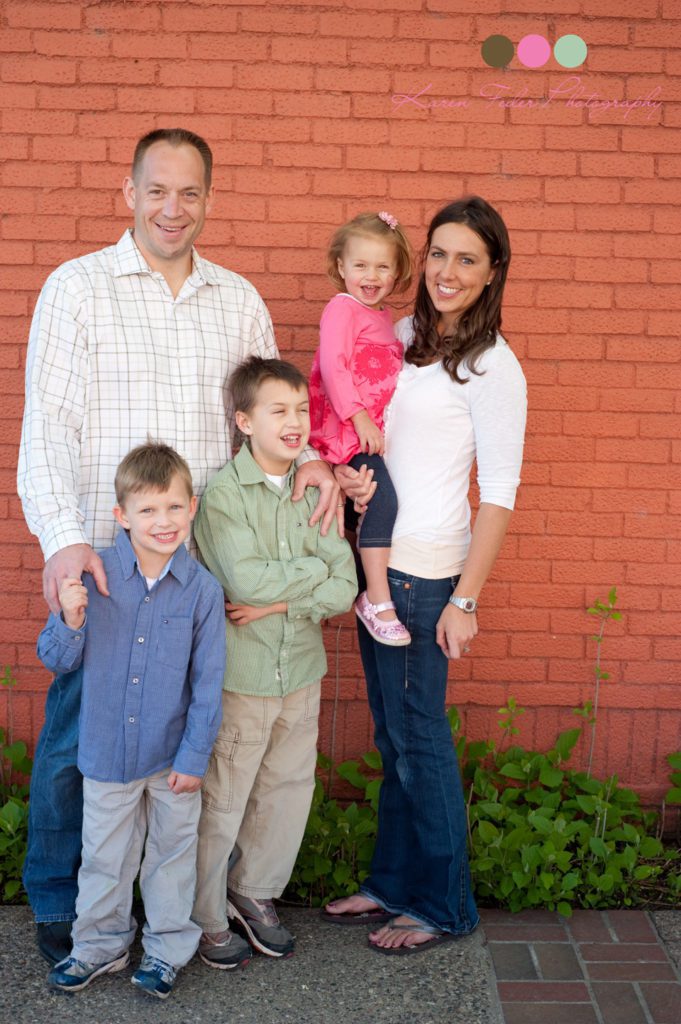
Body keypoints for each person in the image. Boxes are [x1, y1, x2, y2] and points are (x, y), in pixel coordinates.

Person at [17, 127, 346, 966]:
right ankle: (62, 899)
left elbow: (266, 411)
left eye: (190, 192)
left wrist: (310, 456)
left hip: (203, 571)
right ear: (128, 193)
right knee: (79, 738)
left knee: (190, 737)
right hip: (110, 563)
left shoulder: (237, 300)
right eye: (157, 190)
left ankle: (167, 907)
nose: (173, 208)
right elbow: (46, 429)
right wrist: (64, 543)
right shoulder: (77, 288)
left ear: (209, 199)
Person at [323, 197, 527, 953]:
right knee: (394, 738)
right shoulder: (402, 336)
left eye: (466, 258)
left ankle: (445, 906)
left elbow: (498, 494)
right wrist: (346, 475)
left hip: (426, 577)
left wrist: (464, 600)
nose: (447, 271)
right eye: (438, 253)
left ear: (491, 272)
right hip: (375, 568)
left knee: (420, 741)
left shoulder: (493, 366)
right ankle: (392, 883)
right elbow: (368, 433)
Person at [37, 442, 225, 998]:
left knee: (171, 858)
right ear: (122, 515)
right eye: (147, 510)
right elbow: (56, 660)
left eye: (173, 507)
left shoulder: (203, 591)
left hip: (173, 758)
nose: (163, 521)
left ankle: (166, 950)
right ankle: (100, 946)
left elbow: (208, 683)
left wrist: (195, 756)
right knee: (104, 858)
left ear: (191, 507)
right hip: (107, 753)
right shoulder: (93, 578)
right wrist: (71, 619)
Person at [191, 357, 357, 969]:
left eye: (302, 411)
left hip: (302, 670)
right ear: (244, 421)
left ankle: (253, 890)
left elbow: (347, 586)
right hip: (247, 675)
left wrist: (282, 602)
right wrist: (309, 576)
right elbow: (246, 582)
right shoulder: (223, 497)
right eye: (279, 410)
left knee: (287, 789)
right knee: (225, 797)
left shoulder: (314, 489)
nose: (295, 422)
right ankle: (204, 914)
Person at [309, 211, 412, 647]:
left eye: (382, 266)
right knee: (383, 501)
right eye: (361, 265)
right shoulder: (341, 308)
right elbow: (334, 367)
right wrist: (359, 416)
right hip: (348, 432)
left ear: (397, 272)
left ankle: (350, 578)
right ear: (341, 267)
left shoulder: (384, 317)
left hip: (368, 434)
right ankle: (376, 598)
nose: (371, 276)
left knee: (365, 505)